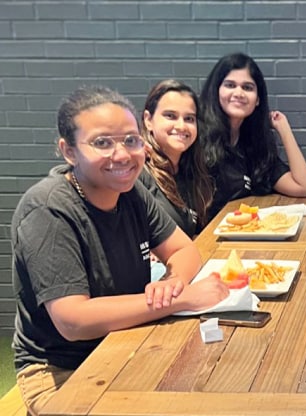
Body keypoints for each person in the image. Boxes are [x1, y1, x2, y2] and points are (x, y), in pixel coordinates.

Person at [11, 85, 230, 415]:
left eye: (130, 140)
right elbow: (74, 321)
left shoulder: (129, 192)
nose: (123, 154)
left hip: (126, 338)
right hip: (59, 368)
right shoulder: (47, 208)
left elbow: (185, 251)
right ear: (68, 151)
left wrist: (173, 283)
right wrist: (182, 299)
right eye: (102, 142)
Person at [199, 52, 306, 220]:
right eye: (230, 85)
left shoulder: (251, 145)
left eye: (247, 87)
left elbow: (305, 187)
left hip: (238, 234)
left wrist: (284, 129)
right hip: (203, 240)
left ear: (258, 99)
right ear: (216, 91)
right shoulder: (197, 137)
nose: (239, 93)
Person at [139, 79, 213, 238]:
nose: (181, 126)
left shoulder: (192, 170)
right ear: (148, 120)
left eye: (189, 119)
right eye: (170, 116)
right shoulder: (138, 170)